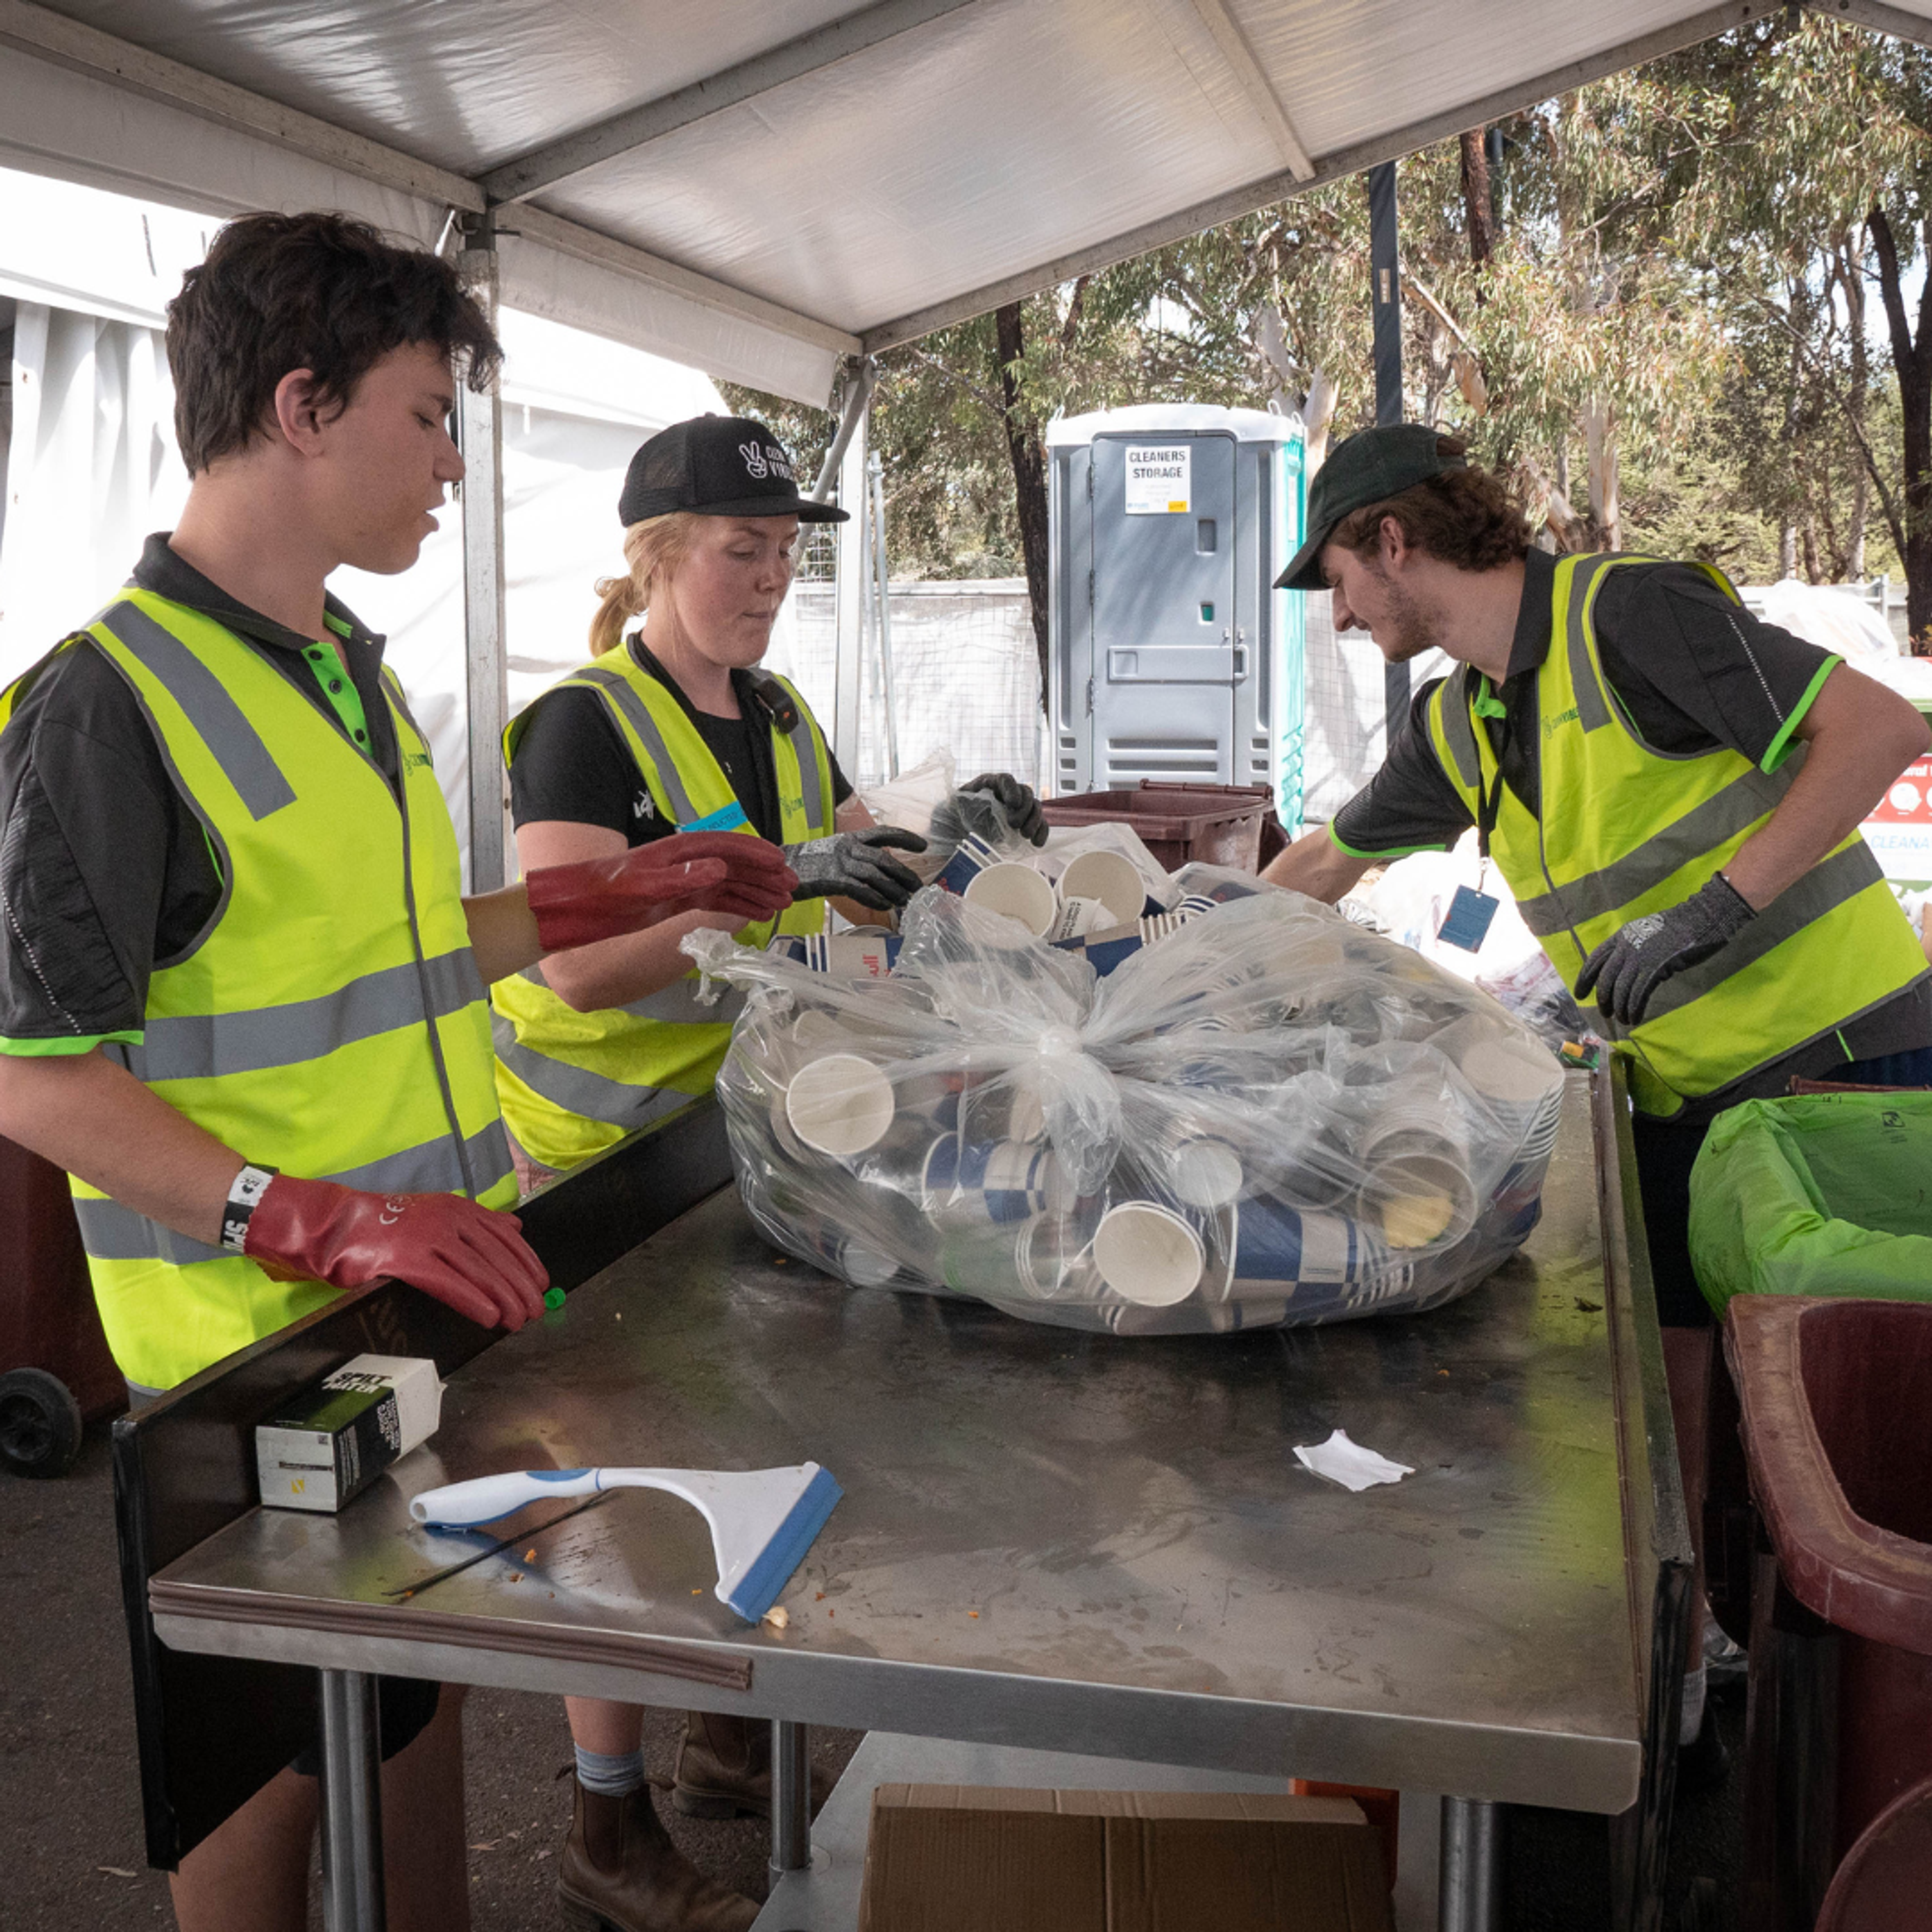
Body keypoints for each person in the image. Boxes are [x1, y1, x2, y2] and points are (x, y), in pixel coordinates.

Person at [0, 212, 796, 1932]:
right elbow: (37, 1077)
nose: (452, 465)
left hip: (405, 1313)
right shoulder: (105, 706)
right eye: (429, 415)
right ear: (301, 405)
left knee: (410, 1707)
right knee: (262, 1761)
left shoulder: (342, 677)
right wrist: (310, 1220)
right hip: (246, 1355)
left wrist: (611, 890)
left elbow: (403, 956)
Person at [1260, 423, 1932, 1758]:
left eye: (1339, 575)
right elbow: (1318, 870)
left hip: (1841, 1080)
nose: (1338, 614)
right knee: (1671, 1381)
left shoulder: (1633, 617)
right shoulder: (1460, 724)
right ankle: (1679, 1677)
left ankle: (1869, 1724)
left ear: (1396, 540)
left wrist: (1709, 912)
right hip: (1685, 1103)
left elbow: (1879, 730)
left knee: (1840, 1434)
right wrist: (1142, 972)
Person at [496, 410, 1046, 1931]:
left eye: (787, 557)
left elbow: (864, 859)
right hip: (595, 1171)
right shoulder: (583, 727)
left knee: (760, 1445)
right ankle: (608, 1831)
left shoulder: (783, 715)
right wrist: (763, 893)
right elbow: (580, 962)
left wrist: (968, 845)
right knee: (604, 1499)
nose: (769, 582)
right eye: (744, 553)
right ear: (660, 555)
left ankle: (730, 1740)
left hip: (748, 1145)